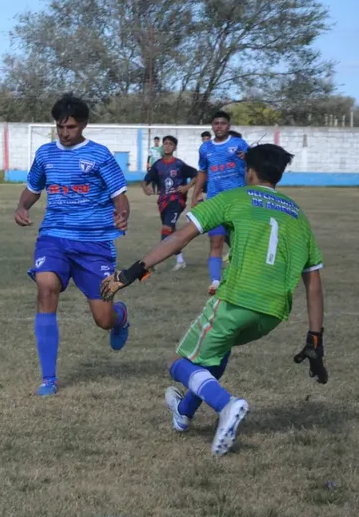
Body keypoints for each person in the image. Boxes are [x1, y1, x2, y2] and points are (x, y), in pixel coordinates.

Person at [100, 144, 326, 456]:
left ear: (249, 171)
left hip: (236, 299)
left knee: (179, 363)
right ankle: (183, 413)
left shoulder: (234, 198)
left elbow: (179, 237)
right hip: (273, 313)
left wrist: (130, 273)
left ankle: (227, 405)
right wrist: (315, 338)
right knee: (215, 356)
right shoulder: (297, 214)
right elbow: (313, 281)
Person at [15, 93, 131, 397]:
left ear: (84, 125)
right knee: (45, 286)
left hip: (95, 243)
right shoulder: (44, 154)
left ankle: (121, 318)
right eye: (60, 127)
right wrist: (22, 207)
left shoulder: (100, 155)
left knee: (103, 319)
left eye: (71, 127)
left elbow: (120, 195)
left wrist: (122, 215)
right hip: (54, 236)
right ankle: (48, 379)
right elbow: (32, 189)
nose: (65, 133)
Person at [190, 111, 249, 294]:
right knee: (215, 242)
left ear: (228, 126)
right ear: (212, 126)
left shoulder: (239, 144)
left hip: (238, 201)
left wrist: (248, 159)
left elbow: (252, 167)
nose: (219, 126)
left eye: (223, 123)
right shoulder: (205, 148)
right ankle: (215, 282)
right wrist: (195, 195)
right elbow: (202, 172)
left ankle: (244, 277)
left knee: (241, 243)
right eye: (216, 123)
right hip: (215, 202)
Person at [141, 135, 198, 271]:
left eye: (170, 144)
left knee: (166, 229)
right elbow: (145, 180)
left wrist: (186, 187)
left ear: (175, 147)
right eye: (165, 143)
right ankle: (180, 260)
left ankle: (152, 261)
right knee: (171, 232)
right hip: (163, 202)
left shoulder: (179, 164)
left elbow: (196, 175)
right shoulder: (158, 165)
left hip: (176, 201)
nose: (167, 146)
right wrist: (146, 188)